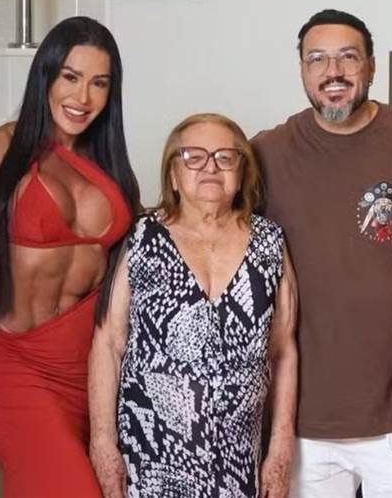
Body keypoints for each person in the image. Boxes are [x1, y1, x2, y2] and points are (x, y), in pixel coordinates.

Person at [251, 9, 392, 497]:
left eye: (348, 57)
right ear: (302, 70)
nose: (333, 72)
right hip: (304, 420)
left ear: (371, 65)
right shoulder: (266, 154)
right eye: (317, 59)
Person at [0, 16, 140, 497]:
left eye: (99, 83)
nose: (83, 97)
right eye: (70, 76)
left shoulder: (112, 170)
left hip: (87, 374)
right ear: (45, 75)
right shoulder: (0, 149)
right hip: (12, 366)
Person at [88, 113, 298, 498]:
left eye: (225, 157)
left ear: (242, 172)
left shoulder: (270, 242)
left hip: (237, 462)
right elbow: (108, 342)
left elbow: (283, 350)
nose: (210, 168)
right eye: (193, 157)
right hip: (150, 459)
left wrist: (281, 448)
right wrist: (102, 441)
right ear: (173, 174)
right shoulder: (141, 237)